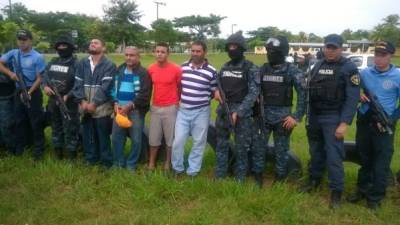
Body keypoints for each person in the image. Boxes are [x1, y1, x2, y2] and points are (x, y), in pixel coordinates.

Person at [300, 34, 360, 209]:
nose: (330, 50)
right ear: (324, 47)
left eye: (334, 48)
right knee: (316, 151)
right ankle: (314, 180)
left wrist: (344, 123)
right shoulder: (318, 64)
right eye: (327, 47)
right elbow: (308, 86)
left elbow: (352, 98)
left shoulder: (348, 68)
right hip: (315, 116)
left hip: (333, 117)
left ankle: (336, 191)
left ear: (341, 49)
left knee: (334, 156)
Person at [347, 41, 400, 209]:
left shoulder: (398, 76)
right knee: (364, 157)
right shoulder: (364, 73)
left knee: (382, 160)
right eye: (376, 54)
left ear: (391, 55)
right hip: (364, 121)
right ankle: (362, 189)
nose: (378, 58)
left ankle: (375, 196)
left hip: (385, 123)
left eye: (382, 55)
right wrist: (359, 95)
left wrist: (393, 118)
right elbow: (351, 89)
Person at [215, 31, 259, 183]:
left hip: (242, 115)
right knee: (221, 145)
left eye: (235, 46)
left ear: (242, 48)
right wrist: (215, 92)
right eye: (230, 46)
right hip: (223, 112)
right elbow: (217, 86)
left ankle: (240, 178)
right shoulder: (224, 67)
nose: (232, 49)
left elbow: (254, 93)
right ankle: (220, 175)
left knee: (242, 148)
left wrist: (239, 112)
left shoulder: (250, 68)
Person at [259, 35, 305, 182]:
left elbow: (304, 95)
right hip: (263, 117)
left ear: (282, 52)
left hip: (283, 119)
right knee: (259, 148)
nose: (270, 54)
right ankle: (258, 175)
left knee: (281, 151)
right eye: (268, 51)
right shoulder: (262, 69)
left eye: (273, 51)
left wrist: (296, 116)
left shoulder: (292, 71)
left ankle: (279, 178)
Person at [171, 40, 218, 177]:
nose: (195, 54)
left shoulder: (212, 71)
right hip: (183, 110)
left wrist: (202, 99)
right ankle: (177, 169)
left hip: (201, 112)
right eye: (193, 51)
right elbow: (179, 87)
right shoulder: (183, 67)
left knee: (199, 142)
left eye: (198, 51)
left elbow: (213, 90)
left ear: (204, 52)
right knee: (178, 141)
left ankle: (193, 171)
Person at [0, 29, 46, 160]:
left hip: (33, 91)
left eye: (24, 40)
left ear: (30, 40)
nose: (22, 42)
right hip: (18, 90)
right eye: (19, 40)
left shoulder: (37, 57)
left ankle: (38, 151)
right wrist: (10, 74)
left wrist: (29, 93)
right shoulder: (13, 53)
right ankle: (21, 147)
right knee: (19, 120)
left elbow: (40, 78)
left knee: (36, 121)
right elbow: (1, 63)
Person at [72, 38, 116, 167]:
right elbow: (77, 83)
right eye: (91, 42)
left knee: (102, 135)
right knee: (87, 133)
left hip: (101, 108)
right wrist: (82, 101)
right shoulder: (82, 63)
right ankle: (91, 159)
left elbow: (106, 87)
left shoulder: (109, 65)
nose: (92, 44)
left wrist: (94, 103)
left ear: (103, 48)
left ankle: (106, 162)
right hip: (84, 106)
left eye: (96, 43)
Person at [111, 46, 152, 170]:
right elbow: (114, 89)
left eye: (132, 55)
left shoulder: (143, 73)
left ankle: (131, 164)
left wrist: (129, 106)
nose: (129, 57)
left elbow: (145, 94)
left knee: (136, 139)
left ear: (138, 57)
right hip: (119, 110)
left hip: (135, 111)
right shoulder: (120, 70)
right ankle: (118, 162)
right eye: (126, 55)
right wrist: (115, 103)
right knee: (117, 138)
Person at [42, 35, 80, 160]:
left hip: (69, 102)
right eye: (59, 46)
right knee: (55, 126)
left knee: (70, 128)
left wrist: (68, 95)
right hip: (53, 101)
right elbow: (45, 77)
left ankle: (71, 154)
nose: (61, 48)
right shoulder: (53, 61)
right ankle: (58, 152)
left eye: (64, 46)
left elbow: (79, 84)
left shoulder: (76, 64)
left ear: (70, 47)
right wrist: (45, 87)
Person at [147, 42, 182, 170]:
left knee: (170, 137)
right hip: (155, 107)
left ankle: (168, 162)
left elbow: (180, 86)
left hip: (171, 107)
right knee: (153, 137)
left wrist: (177, 101)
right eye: (157, 51)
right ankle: (151, 162)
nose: (159, 54)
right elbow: (149, 87)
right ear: (154, 53)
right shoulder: (151, 69)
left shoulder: (176, 69)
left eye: (162, 52)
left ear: (168, 53)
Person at [0, 54, 16, 155]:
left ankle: (11, 148)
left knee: (6, 125)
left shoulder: (6, 61)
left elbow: (11, 78)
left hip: (5, 97)